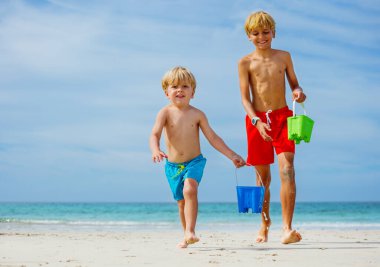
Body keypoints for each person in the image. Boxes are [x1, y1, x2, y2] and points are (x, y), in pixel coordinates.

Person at [150, 66, 245, 248]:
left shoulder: (197, 114)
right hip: (173, 166)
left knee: (190, 189)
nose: (180, 90)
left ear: (193, 92)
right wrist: (155, 149)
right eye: (175, 86)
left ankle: (191, 230)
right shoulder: (165, 113)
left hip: (195, 162)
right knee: (180, 202)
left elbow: (213, 138)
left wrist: (232, 155)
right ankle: (186, 235)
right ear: (166, 92)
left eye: (185, 86)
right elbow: (154, 134)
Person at [238, 11, 307, 244]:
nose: (261, 37)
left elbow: (294, 84)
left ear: (273, 33)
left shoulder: (284, 56)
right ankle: (264, 225)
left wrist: (298, 92)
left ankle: (287, 228)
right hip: (256, 120)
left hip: (283, 118)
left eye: (266, 32)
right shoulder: (244, 62)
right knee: (262, 179)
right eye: (256, 33)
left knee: (287, 169)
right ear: (249, 36)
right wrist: (256, 122)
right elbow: (245, 99)